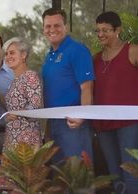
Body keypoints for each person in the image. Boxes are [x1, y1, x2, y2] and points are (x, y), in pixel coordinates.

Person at [93, 11, 138, 194]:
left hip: (129, 123)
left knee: (130, 171)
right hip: (103, 126)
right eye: (98, 30)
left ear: (117, 29)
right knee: (113, 174)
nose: (101, 34)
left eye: (106, 30)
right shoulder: (95, 59)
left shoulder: (133, 50)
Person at [41, 8, 94, 162]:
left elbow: (87, 88)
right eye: (48, 26)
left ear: (66, 27)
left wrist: (82, 116)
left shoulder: (77, 50)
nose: (52, 30)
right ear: (43, 29)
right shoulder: (49, 55)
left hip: (73, 123)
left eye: (57, 25)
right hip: (54, 123)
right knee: (60, 177)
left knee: (78, 176)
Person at [2, 37, 42, 151]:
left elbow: (35, 107)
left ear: (23, 55)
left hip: (26, 140)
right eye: (6, 54)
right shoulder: (14, 80)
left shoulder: (30, 76)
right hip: (12, 137)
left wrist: (17, 113)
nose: (8, 56)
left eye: (12, 53)